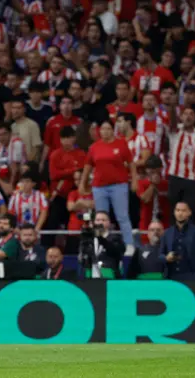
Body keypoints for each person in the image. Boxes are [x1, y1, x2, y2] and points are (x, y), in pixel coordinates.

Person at [79, 119, 137, 247]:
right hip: (99, 187)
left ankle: (129, 244)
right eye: (103, 129)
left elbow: (131, 163)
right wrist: (82, 183)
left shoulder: (121, 144)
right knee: (100, 218)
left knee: (122, 216)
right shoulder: (94, 147)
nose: (105, 131)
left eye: (108, 129)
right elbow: (88, 166)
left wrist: (134, 180)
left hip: (119, 185)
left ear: (113, 130)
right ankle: (100, 244)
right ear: (99, 131)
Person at [159, 201, 195, 280]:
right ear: (174, 212)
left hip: (191, 277)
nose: (180, 213)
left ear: (189, 213)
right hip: (171, 277)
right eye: (177, 210)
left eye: (183, 210)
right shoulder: (167, 233)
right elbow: (160, 255)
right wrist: (166, 258)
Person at [78, 211, 126, 279]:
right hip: (90, 277)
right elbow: (82, 257)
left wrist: (100, 237)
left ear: (109, 223)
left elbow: (117, 251)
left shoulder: (116, 238)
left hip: (110, 277)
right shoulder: (89, 239)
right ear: (93, 222)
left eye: (103, 220)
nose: (100, 222)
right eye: (97, 220)